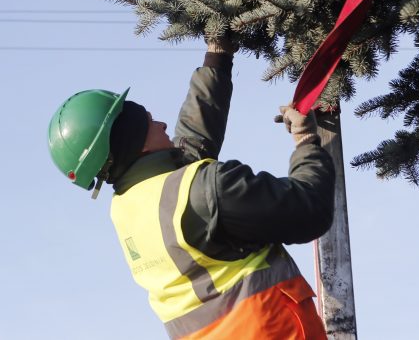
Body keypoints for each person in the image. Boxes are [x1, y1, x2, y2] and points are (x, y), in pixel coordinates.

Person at [48, 38, 335, 339]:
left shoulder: (129, 210)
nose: (162, 124)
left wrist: (217, 56)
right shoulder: (207, 189)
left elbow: (192, 144)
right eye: (148, 122)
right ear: (134, 142)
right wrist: (305, 143)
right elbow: (310, 209)